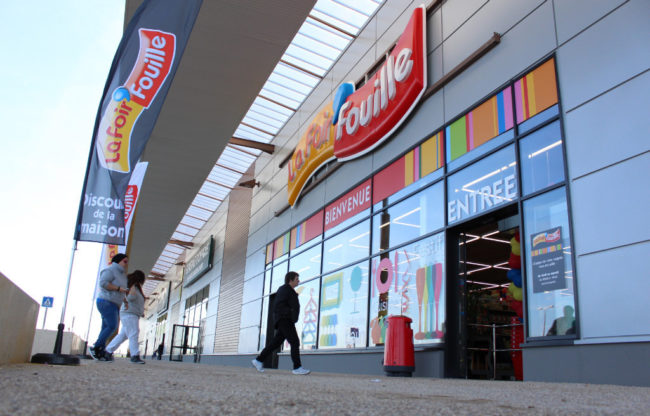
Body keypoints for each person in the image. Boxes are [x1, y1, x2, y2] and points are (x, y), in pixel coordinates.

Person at [251, 271, 310, 375]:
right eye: (297, 279)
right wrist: (290, 313)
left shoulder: (288, 290)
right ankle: (297, 367)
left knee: (276, 342)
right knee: (295, 342)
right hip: (285, 319)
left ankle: (259, 360)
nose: (299, 281)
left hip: (286, 319)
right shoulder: (285, 289)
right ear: (290, 280)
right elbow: (279, 305)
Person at [89, 254, 129, 360]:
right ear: (118, 261)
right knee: (112, 325)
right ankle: (96, 347)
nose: (126, 264)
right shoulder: (110, 270)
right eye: (125, 261)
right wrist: (118, 288)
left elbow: (122, 290)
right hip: (106, 301)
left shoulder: (123, 275)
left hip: (115, 304)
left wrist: (124, 300)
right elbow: (103, 283)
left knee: (105, 327)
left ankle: (100, 350)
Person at [102, 270, 147, 364]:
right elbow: (130, 298)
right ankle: (134, 355)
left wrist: (140, 312)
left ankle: (107, 352)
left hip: (131, 313)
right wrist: (133, 288)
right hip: (129, 314)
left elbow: (137, 302)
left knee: (123, 335)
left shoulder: (136, 288)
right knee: (134, 333)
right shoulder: (133, 287)